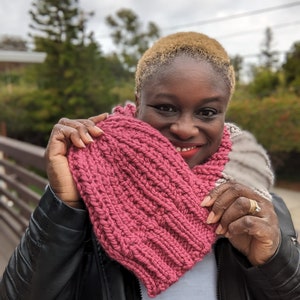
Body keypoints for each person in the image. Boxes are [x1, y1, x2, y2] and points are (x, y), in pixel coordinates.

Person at [0, 32, 299, 300]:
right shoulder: (91, 199)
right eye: (165, 107)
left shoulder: (258, 207)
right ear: (137, 101)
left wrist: (274, 261)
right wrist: (64, 205)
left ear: (224, 114)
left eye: (207, 112)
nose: (184, 128)